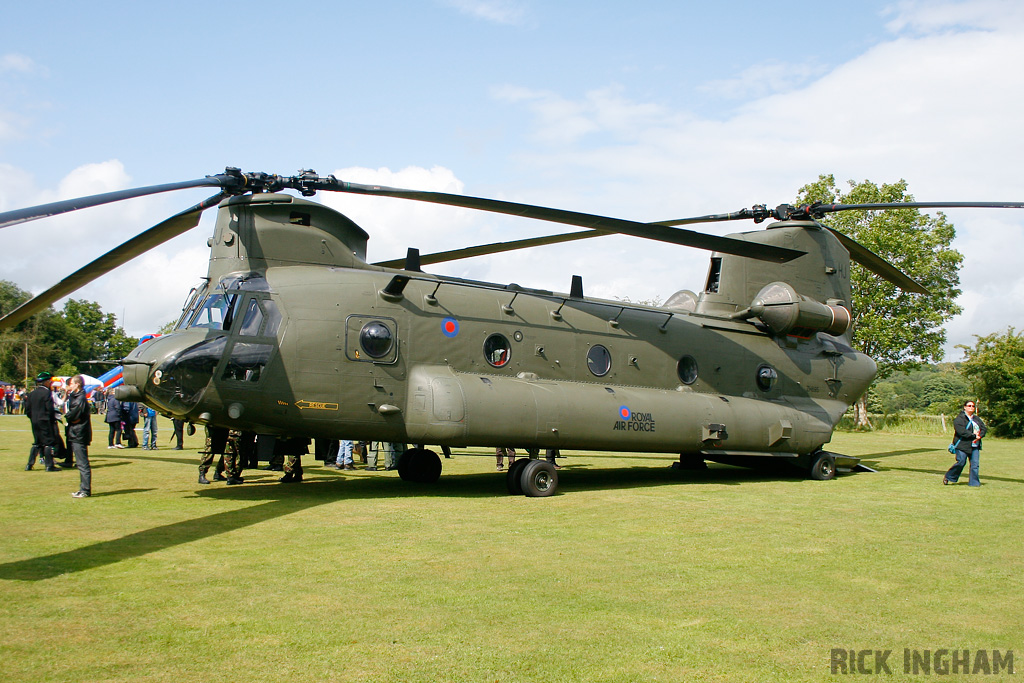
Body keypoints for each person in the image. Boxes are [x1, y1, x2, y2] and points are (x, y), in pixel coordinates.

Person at [944, 400, 987, 487]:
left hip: (975, 445)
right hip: (962, 445)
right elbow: (961, 431)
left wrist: (980, 436)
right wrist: (973, 436)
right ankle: (949, 476)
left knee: (975, 465)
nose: (971, 407)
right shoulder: (959, 419)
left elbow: (983, 428)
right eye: (969, 406)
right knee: (961, 462)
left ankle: (974, 483)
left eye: (973, 406)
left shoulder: (976, 419)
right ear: (965, 407)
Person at [24, 371, 61, 471]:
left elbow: (27, 410)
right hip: (45, 421)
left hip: (35, 421)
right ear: (46, 382)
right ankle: (49, 465)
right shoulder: (46, 393)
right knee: (48, 442)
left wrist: (33, 417)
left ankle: (29, 465)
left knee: (37, 442)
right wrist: (52, 419)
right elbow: (49, 409)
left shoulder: (32, 394)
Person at [65, 375, 93, 498]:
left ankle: (85, 490)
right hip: (75, 432)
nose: (69, 386)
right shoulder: (75, 396)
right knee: (80, 462)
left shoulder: (80, 398)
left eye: (71, 383)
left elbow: (74, 415)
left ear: (77, 384)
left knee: (82, 463)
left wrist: (68, 417)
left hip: (79, 433)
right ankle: (82, 488)